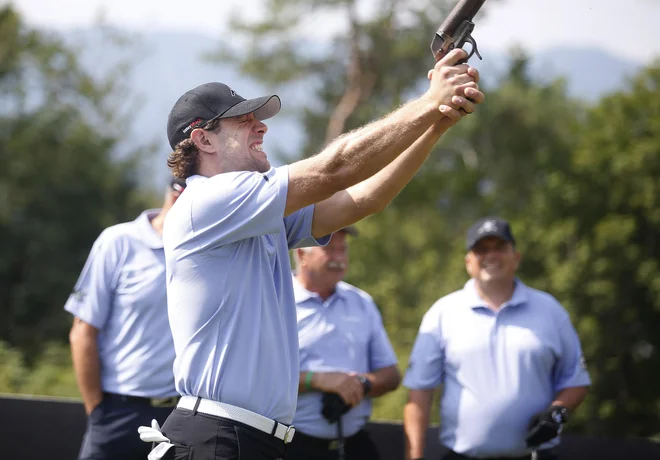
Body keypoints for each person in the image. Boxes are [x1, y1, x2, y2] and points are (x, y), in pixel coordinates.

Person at [149, 49, 483, 460]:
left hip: (240, 438)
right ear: (202, 139)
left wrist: (433, 125)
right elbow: (335, 168)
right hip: (219, 437)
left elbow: (362, 200)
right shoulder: (209, 199)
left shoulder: (243, 210)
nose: (261, 127)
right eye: (243, 120)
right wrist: (427, 102)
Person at [403, 217, 591, 460]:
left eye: (499, 248)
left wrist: (557, 412)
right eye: (481, 249)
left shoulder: (550, 310)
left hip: (535, 455)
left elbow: (576, 380)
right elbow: (419, 393)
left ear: (516, 257)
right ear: (468, 262)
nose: (491, 255)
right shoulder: (443, 312)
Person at [65, 177, 186, 460]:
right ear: (175, 194)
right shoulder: (117, 241)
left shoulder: (210, 249)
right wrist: (98, 412)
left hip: (183, 416)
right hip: (119, 412)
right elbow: (82, 332)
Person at [287, 226, 401, 460]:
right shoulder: (276, 299)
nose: (339, 258)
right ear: (301, 255)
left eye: (343, 250)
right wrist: (316, 380)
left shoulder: (361, 302)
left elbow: (391, 375)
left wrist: (359, 384)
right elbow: (258, 378)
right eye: (329, 250)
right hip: (290, 446)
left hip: (354, 445)